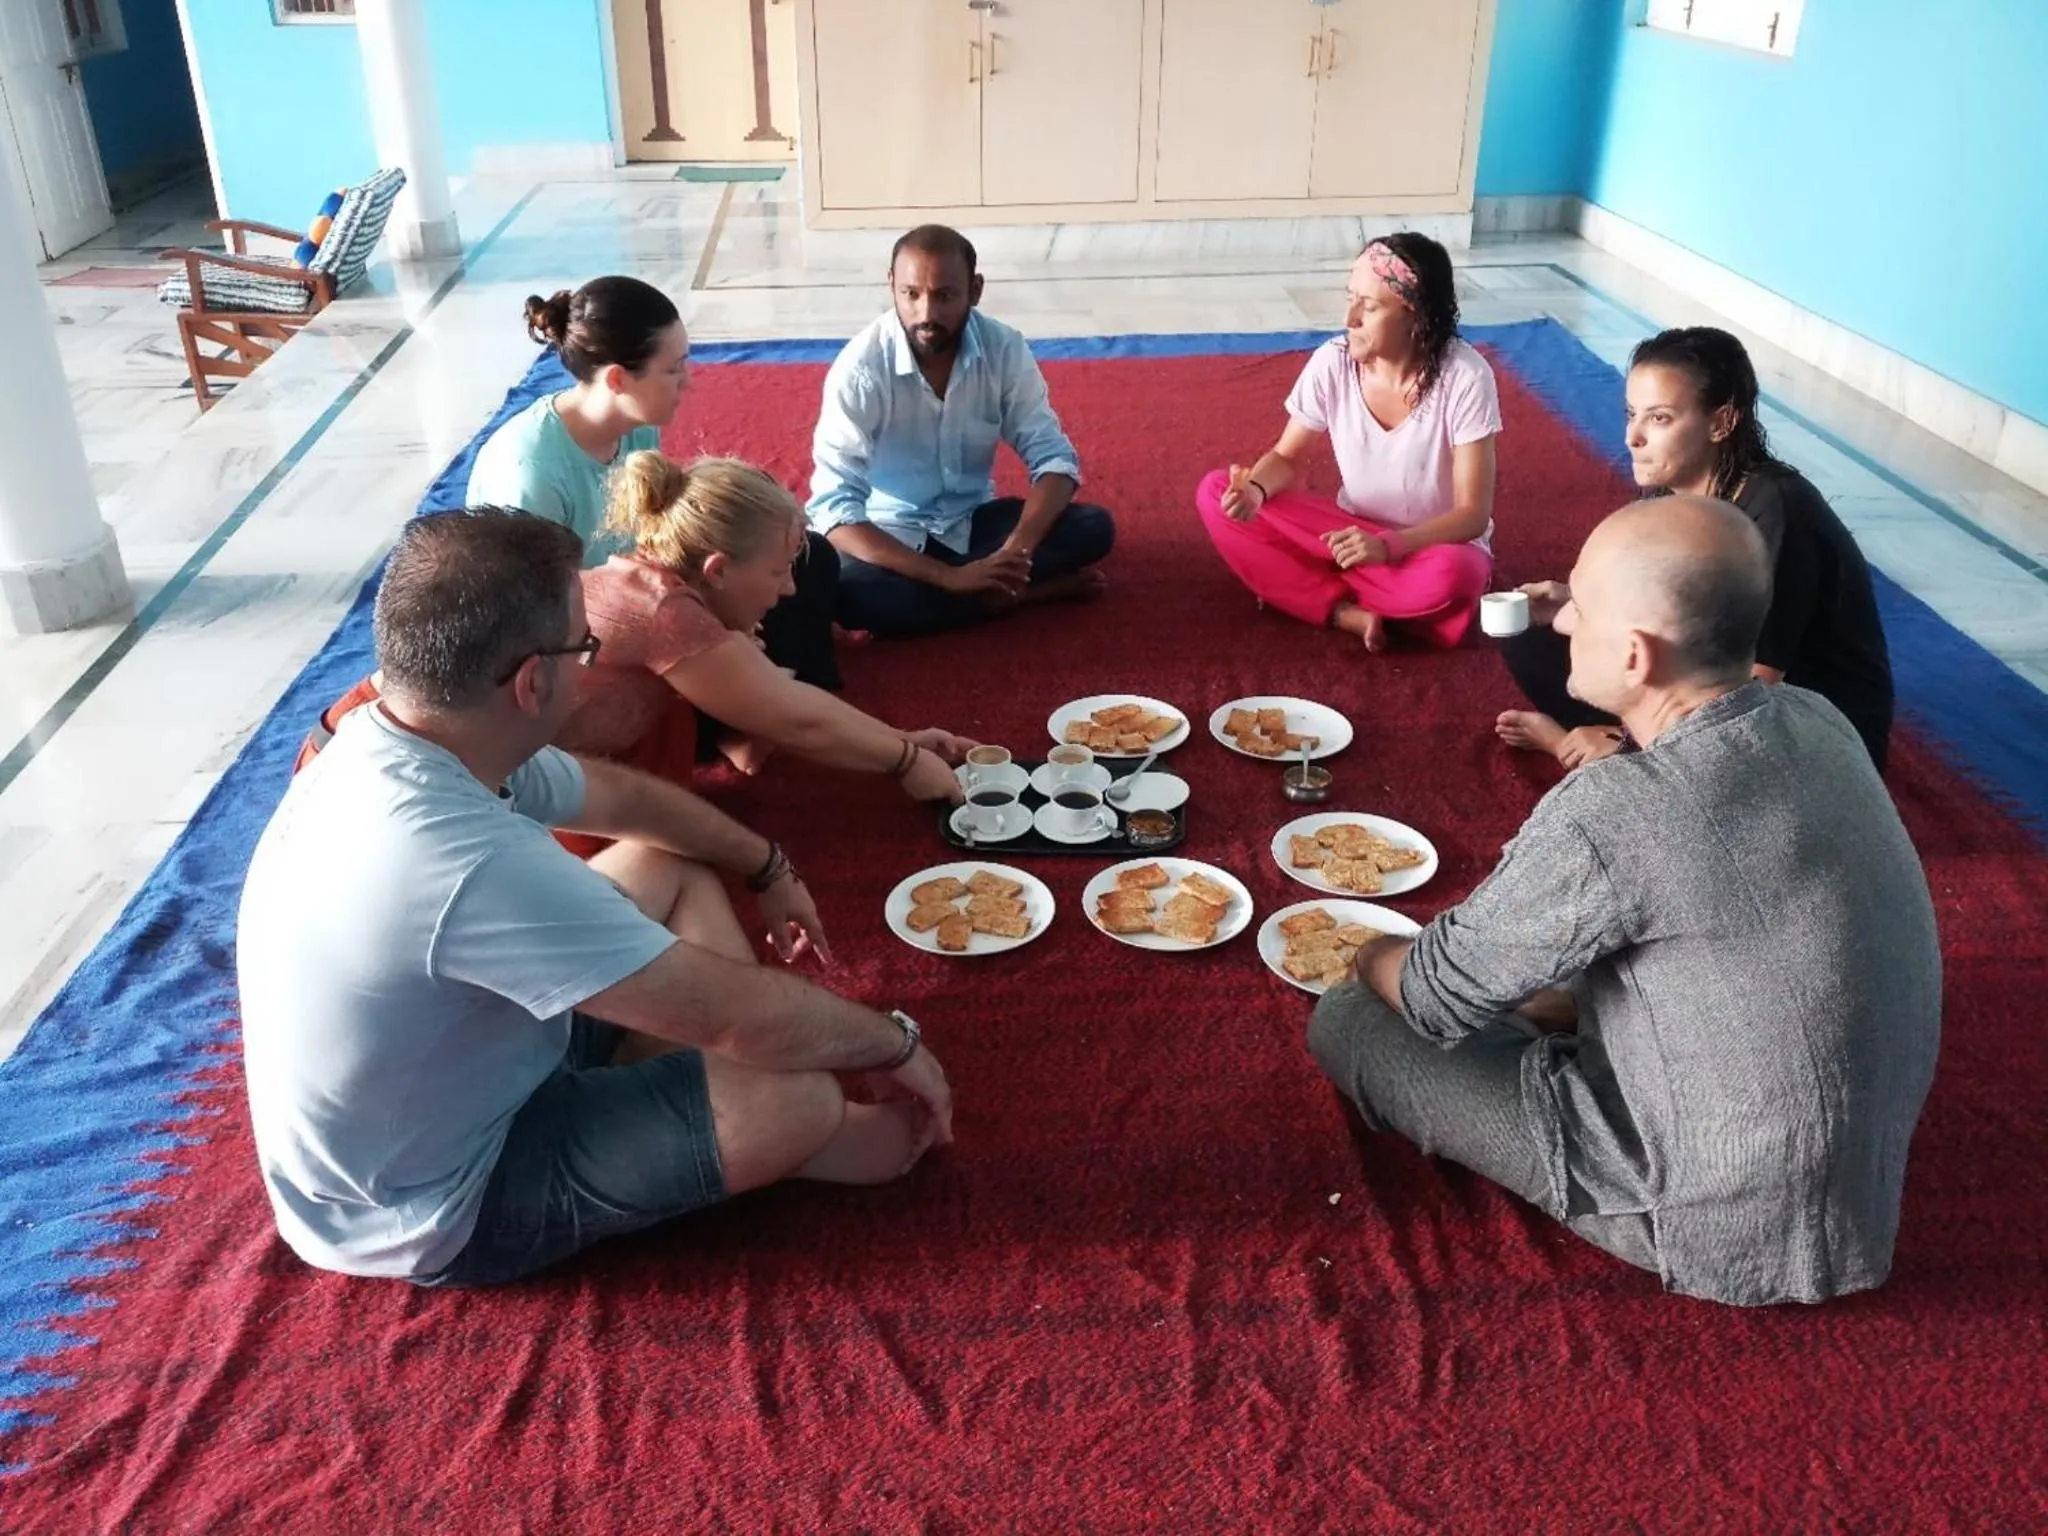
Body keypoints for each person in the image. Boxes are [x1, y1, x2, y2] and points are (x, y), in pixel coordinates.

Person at [239, 509, 953, 1287]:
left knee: (668, 864)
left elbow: (624, 802)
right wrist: (894, 1043)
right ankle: (754, 1123)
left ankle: (687, 1099)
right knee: (803, 1098)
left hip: (465, 1064)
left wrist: (766, 864)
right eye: (586, 647)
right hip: (438, 1198)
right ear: (532, 682)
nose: (592, 664)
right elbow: (734, 1017)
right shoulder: (463, 860)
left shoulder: (408, 736)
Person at [1307, 497, 1941, 1308]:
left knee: (1353, 1020)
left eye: (1581, 603)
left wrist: (1365, 950)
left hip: (1715, 1214)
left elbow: (1432, 995)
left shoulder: (1617, 809)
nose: (1566, 620)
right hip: (1856, 1184)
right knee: (1566, 970)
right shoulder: (1819, 717)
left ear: (1637, 656)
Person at [1496, 326, 1894, 770]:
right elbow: (1664, 604)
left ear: (1721, 422)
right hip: (1704, 684)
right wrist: (1575, 605)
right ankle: (1621, 751)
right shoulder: (1671, 493)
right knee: (1530, 633)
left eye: (1659, 418)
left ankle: (1611, 752)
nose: (1633, 437)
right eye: (1632, 414)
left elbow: (1751, 686)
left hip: (1803, 730)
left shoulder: (1777, 510)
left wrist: (1625, 739)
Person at [469, 274, 842, 689]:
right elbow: (536, 620)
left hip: (645, 598)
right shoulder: (531, 471)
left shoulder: (635, 426)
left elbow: (655, 537)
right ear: (617, 379)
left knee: (805, 560)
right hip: (584, 638)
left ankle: (778, 689)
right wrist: (699, 624)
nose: (688, 381)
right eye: (673, 369)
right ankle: (765, 696)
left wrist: (726, 603)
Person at [556, 451, 977, 806]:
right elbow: (796, 720)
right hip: (540, 804)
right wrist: (906, 761)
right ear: (718, 571)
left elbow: (787, 700)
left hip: (568, 769)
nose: (790, 586)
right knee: (720, 858)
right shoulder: (665, 611)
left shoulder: (651, 582)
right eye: (779, 571)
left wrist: (905, 741)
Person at [807, 224, 1115, 638]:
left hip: (973, 522)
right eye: (911, 294)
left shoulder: (1003, 349)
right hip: (891, 533)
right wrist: (950, 577)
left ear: (975, 290)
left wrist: (1016, 552)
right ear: (891, 285)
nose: (926, 314)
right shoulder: (860, 370)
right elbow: (834, 510)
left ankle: (983, 589)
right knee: (848, 593)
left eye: (944, 296)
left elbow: (1054, 460)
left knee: (1093, 527)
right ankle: (1022, 594)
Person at [1196, 233, 1499, 652]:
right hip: (1346, 537)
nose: (1349, 318)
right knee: (1215, 493)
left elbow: (1472, 514)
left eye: (1369, 307)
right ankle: (1347, 612)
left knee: (1457, 575)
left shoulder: (1466, 377)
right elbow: (1286, 456)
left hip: (1427, 546)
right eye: (1349, 298)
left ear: (1415, 316)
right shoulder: (1332, 361)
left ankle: (1299, 587)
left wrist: (1389, 546)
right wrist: (1254, 490)